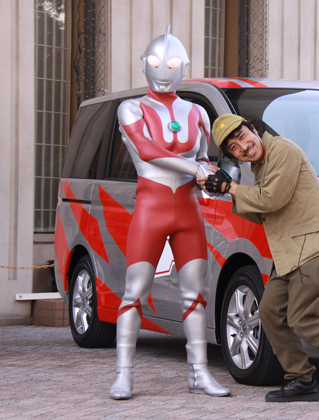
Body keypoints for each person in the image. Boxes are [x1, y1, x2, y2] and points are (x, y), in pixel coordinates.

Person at [197, 114, 319, 410]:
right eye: (233, 148)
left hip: (315, 244)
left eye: (242, 136)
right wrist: (225, 190)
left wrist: (231, 188)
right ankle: (301, 379)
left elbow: (271, 199)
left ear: (253, 128)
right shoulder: (261, 165)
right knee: (270, 312)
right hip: (291, 250)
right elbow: (264, 213)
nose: (243, 147)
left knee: (303, 317)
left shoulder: (282, 150)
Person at [109, 26, 230, 400]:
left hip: (188, 210)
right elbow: (146, 150)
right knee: (134, 292)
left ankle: (199, 372)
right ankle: (124, 374)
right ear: (144, 64)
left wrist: (210, 176)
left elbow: (205, 159)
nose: (164, 71)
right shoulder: (131, 108)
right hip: (152, 207)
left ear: (184, 66)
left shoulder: (197, 112)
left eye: (173, 63)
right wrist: (196, 169)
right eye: (157, 62)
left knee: (195, 294)